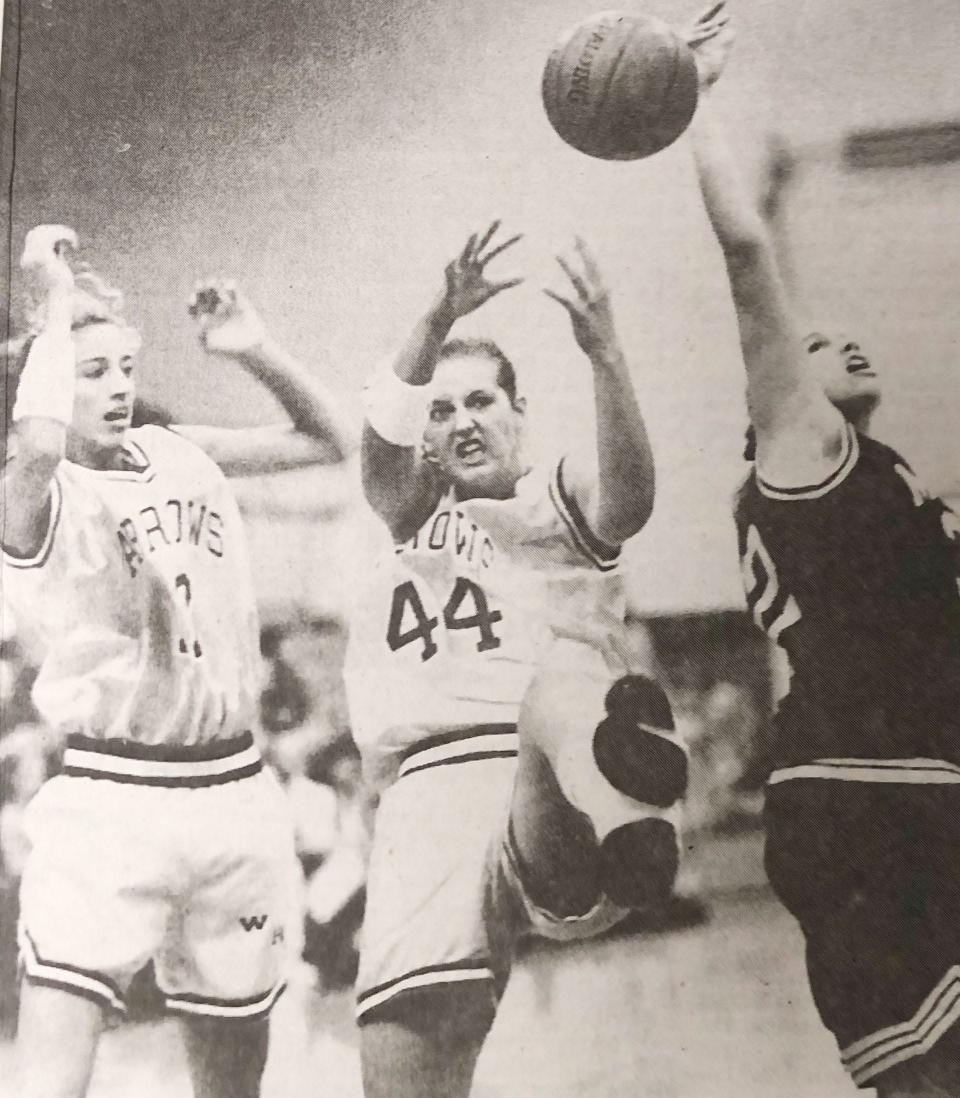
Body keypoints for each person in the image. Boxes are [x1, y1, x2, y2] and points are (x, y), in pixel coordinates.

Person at [1, 224, 353, 1098]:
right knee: (51, 1073)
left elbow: (328, 439)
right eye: (92, 373)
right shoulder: (31, 491)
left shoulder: (178, 451)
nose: (119, 387)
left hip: (234, 792)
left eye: (124, 366)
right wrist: (51, 295)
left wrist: (256, 349)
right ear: (40, 384)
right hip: (110, 801)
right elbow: (40, 444)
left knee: (234, 1077)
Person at [346, 222, 688, 1098]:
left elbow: (631, 497)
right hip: (424, 803)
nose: (462, 420)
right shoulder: (406, 512)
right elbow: (379, 450)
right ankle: (627, 805)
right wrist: (435, 314)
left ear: (519, 414)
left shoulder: (556, 497)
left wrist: (607, 354)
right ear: (427, 435)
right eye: (443, 408)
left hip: (544, 776)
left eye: (482, 402)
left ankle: (630, 823)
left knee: (560, 693)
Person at [687, 7, 960, 1094]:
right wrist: (695, 103)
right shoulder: (804, 455)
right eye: (804, 345)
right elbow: (748, 251)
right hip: (865, 795)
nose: (830, 335)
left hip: (911, 786)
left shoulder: (891, 483)